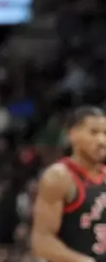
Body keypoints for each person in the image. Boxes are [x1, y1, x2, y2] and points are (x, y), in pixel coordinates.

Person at [31, 106, 106, 262]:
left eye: (105, 133)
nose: (101, 140)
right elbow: (42, 242)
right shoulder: (59, 177)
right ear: (72, 134)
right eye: (93, 133)